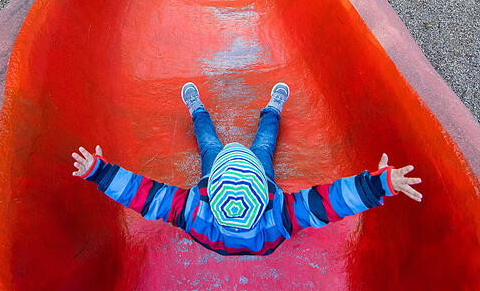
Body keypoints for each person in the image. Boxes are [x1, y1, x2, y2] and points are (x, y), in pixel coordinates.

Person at [71, 82, 422, 256]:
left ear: (208, 191)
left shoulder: (194, 212)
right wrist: (378, 186)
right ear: (265, 190)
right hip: (260, 227)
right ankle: (272, 108)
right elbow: (328, 203)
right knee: (264, 144)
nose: (237, 149)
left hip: (217, 229)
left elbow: (145, 195)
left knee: (209, 146)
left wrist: (100, 173)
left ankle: (197, 110)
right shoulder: (280, 216)